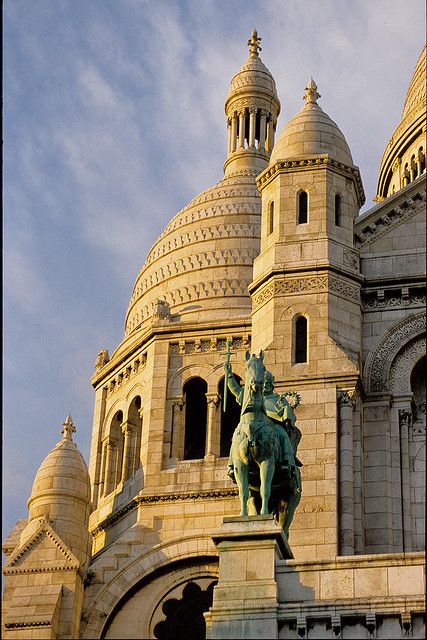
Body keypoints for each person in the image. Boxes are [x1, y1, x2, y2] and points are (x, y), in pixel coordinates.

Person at [225, 362, 302, 479]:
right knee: (237, 435)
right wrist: (229, 375)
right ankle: (232, 464)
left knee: (283, 435)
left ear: (272, 385)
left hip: (273, 426)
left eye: (267, 383)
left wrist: (286, 411)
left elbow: (288, 415)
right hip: (252, 425)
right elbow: (236, 389)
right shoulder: (251, 396)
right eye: (263, 383)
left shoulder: (278, 399)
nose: (265, 386)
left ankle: (287, 462)